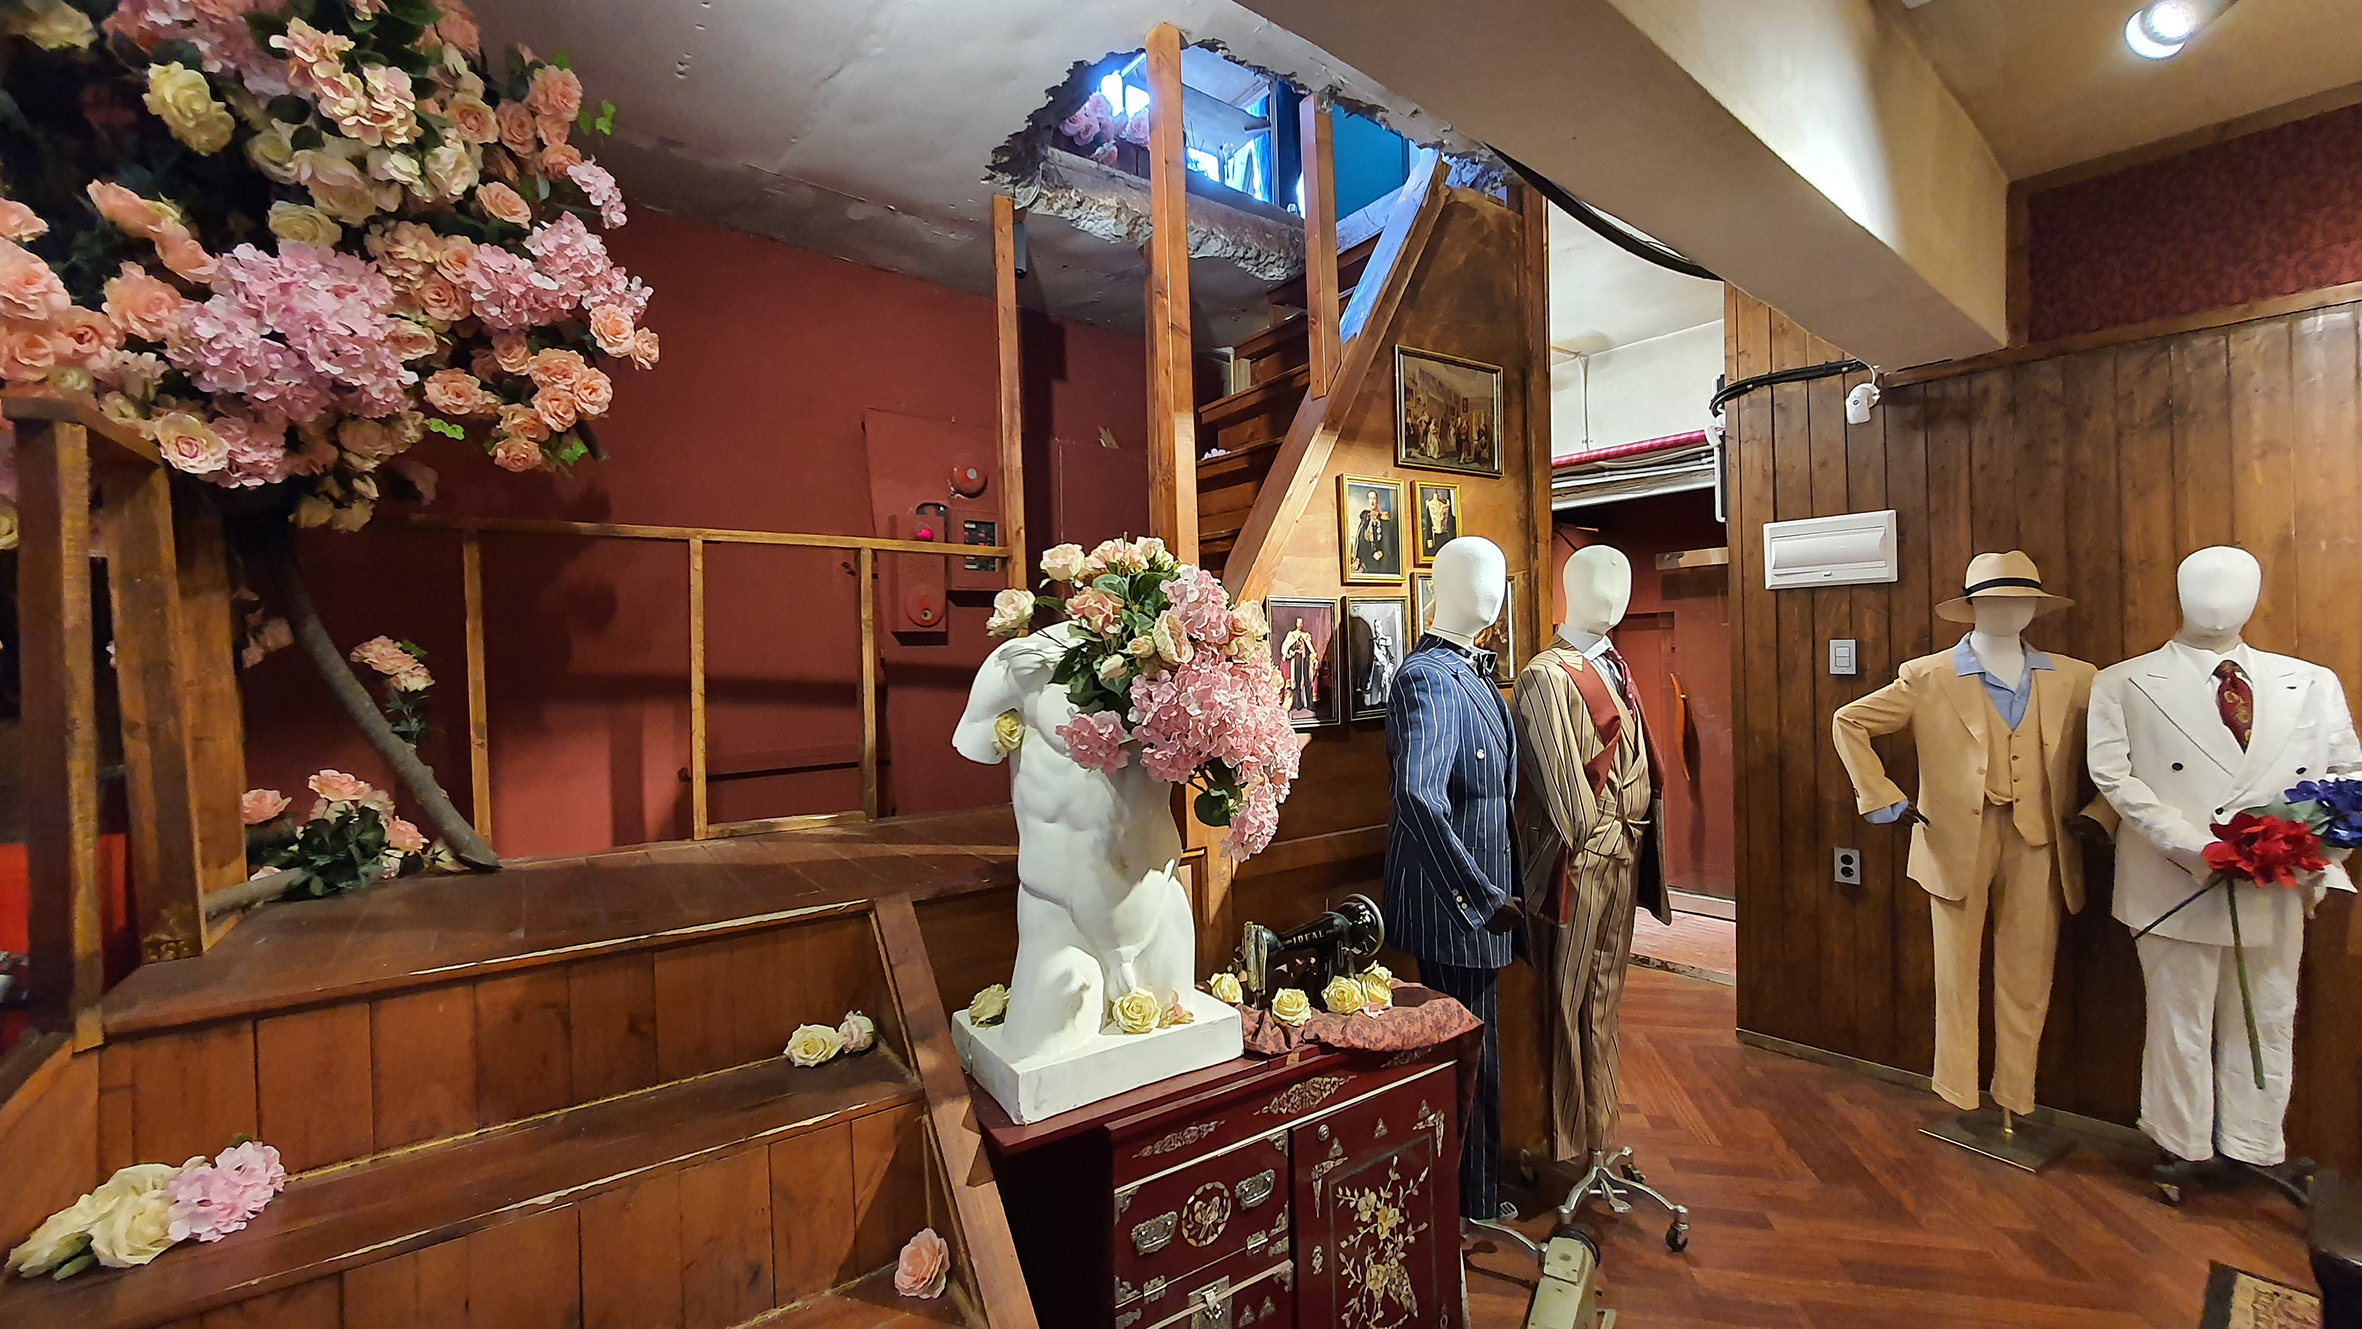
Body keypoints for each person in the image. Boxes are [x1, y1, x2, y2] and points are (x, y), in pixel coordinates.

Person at [1353, 488, 1397, 577]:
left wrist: (1382, 552)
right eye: (1370, 498)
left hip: (1382, 560)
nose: (1372, 501)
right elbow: (1361, 541)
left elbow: (1388, 542)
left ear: (1377, 501)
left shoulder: (1384, 520)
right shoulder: (1365, 520)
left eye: (1374, 498)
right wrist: (1358, 558)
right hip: (1368, 560)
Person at [1282, 617, 1319, 715]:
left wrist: (1313, 655)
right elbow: (1285, 647)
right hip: (1296, 660)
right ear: (1296, 623)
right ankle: (1298, 703)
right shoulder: (1292, 635)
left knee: (1307, 681)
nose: (1300, 625)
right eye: (1298, 623)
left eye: (1301, 623)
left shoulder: (1305, 635)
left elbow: (1310, 648)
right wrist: (1291, 653)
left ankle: (1309, 703)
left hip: (1305, 660)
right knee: (1297, 681)